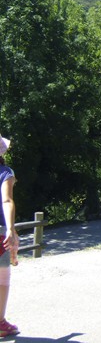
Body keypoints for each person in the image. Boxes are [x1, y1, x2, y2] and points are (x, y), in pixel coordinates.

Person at [0, 134, 19, 337]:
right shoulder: (5, 173)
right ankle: (0, 323)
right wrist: (10, 229)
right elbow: (6, 201)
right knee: (2, 277)